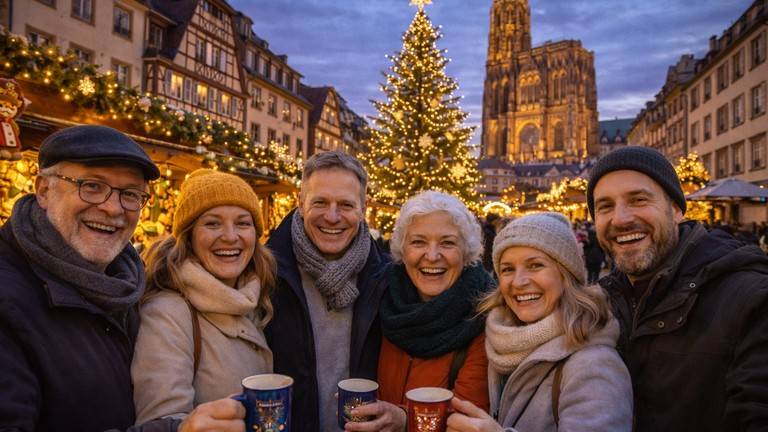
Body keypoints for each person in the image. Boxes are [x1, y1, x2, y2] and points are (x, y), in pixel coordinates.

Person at [0, 125, 245, 431]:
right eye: (92, 186)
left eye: (129, 194)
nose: (113, 208)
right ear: (44, 190)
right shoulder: (9, 298)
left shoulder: (127, 286)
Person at [587, 146, 768, 431]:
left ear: (676, 209)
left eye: (638, 199)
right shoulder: (600, 304)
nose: (620, 219)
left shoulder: (752, 299)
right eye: (605, 206)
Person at [447, 212, 632, 432]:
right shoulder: (501, 344)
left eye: (535, 265)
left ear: (566, 273)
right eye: (508, 269)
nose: (518, 282)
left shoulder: (593, 364)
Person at [131, 169, 275, 423]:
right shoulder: (167, 313)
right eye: (212, 223)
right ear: (189, 236)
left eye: (243, 223)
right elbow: (163, 422)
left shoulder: (258, 297)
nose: (230, 236)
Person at [264, 150, 390, 431]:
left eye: (345, 205)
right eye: (320, 202)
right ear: (301, 203)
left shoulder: (387, 277)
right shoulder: (265, 272)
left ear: (363, 208)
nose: (332, 217)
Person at [348, 191, 492, 431]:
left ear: (466, 251)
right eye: (418, 242)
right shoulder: (382, 300)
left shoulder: (483, 317)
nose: (432, 256)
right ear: (402, 250)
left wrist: (406, 420)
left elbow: (467, 420)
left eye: (447, 243)